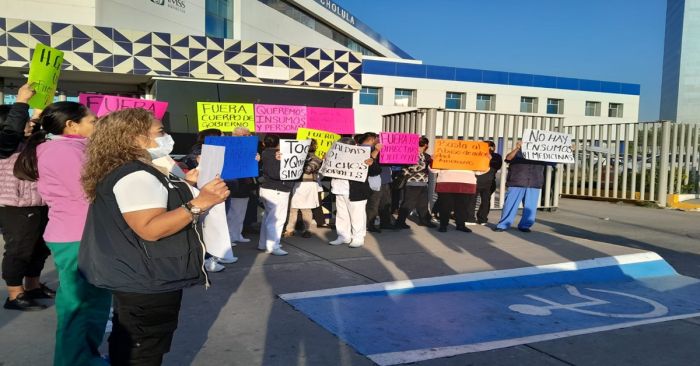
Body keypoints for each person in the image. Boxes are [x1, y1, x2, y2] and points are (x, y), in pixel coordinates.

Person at [79, 108, 230, 365]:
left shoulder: (132, 169)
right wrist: (201, 203)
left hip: (135, 273)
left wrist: (188, 186)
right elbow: (150, 228)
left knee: (131, 340)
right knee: (143, 348)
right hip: (145, 279)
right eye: (160, 132)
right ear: (134, 137)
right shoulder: (136, 174)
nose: (167, 137)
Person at [13, 101, 112, 365]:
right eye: (92, 120)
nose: (96, 124)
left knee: (92, 302)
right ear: (71, 125)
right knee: (81, 305)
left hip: (80, 233)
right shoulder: (63, 151)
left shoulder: (69, 148)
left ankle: (84, 355)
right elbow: (89, 192)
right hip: (77, 235)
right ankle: (76, 360)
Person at [1, 84, 55, 311]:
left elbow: (33, 130)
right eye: (21, 121)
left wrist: (37, 114)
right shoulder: (5, 145)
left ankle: (32, 286)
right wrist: (21, 102)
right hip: (14, 206)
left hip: (39, 203)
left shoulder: (27, 142)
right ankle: (14, 295)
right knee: (19, 249)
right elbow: (11, 134)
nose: (27, 125)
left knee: (40, 247)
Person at [328, 137, 379, 248]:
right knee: (341, 215)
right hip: (339, 189)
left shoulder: (361, 154)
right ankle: (343, 236)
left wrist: (371, 162)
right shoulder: (335, 155)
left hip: (357, 191)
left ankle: (358, 237)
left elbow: (375, 171)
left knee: (357, 215)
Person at [493, 141, 551, 232]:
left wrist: (568, 151)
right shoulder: (519, 152)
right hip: (516, 182)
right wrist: (517, 148)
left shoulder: (542, 154)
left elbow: (556, 160)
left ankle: (525, 226)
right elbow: (508, 158)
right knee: (509, 205)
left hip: (534, 183)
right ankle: (503, 225)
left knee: (530, 207)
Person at [258, 135, 294, 256]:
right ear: (279, 144)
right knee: (277, 219)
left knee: (268, 217)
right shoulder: (277, 154)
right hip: (277, 189)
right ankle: (273, 246)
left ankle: (264, 243)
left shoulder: (264, 153)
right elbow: (276, 173)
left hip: (268, 188)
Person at [395, 136, 436, 229]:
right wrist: (426, 162)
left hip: (423, 182)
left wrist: (433, 161)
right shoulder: (410, 154)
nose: (420, 147)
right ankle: (400, 222)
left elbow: (430, 168)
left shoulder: (426, 156)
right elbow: (412, 168)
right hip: (412, 183)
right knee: (408, 204)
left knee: (423, 204)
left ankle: (424, 220)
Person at [284, 140, 322, 239]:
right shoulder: (296, 156)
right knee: (293, 208)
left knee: (306, 209)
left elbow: (308, 170)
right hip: (296, 183)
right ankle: (289, 229)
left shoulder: (316, 159)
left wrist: (299, 161)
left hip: (308, 185)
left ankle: (307, 230)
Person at [226, 127, 258, 244]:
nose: (250, 137)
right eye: (247, 135)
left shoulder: (248, 147)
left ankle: (237, 234)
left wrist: (255, 159)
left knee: (241, 212)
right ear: (239, 135)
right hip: (235, 183)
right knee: (232, 212)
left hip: (245, 183)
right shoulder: (230, 147)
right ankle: (229, 236)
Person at [360, 132, 389, 233]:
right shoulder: (365, 149)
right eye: (377, 139)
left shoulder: (361, 148)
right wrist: (376, 150)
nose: (379, 141)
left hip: (376, 180)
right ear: (372, 139)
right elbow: (369, 160)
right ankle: (370, 224)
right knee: (373, 204)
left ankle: (377, 223)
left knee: (378, 203)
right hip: (371, 181)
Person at [468, 141, 503, 225]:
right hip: (475, 181)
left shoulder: (496, 156)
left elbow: (497, 166)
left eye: (487, 146)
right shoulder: (476, 154)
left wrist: (490, 159)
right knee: (471, 200)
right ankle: (470, 218)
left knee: (486, 201)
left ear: (492, 147)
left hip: (489, 182)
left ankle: (482, 219)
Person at [432, 168, 476, 233]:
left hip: (465, 182)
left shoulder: (474, 157)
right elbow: (434, 169)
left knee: (462, 207)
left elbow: (480, 170)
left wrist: (486, 161)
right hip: (448, 182)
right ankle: (443, 225)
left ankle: (460, 225)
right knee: (445, 206)